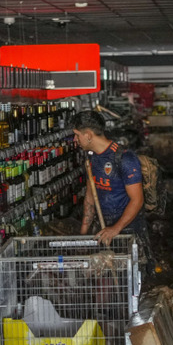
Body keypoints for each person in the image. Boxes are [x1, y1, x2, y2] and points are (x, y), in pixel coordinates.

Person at [72, 110, 150, 260]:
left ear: (88, 135)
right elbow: (89, 197)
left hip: (128, 230)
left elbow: (137, 200)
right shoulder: (92, 159)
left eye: (77, 135)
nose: (75, 139)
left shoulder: (125, 158)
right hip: (103, 228)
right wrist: (82, 233)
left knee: (129, 277)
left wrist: (115, 229)